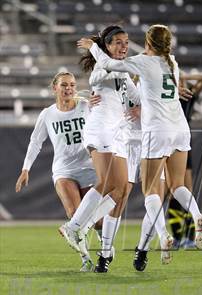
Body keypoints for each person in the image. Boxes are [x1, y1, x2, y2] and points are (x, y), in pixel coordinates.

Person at [77, 24, 202, 258]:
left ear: (148, 43)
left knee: (150, 191)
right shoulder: (173, 63)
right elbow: (157, 89)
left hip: (156, 132)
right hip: (180, 129)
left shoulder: (144, 61)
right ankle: (197, 215)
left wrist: (94, 47)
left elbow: (107, 64)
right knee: (177, 185)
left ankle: (162, 234)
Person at [59, 25, 142, 273]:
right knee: (110, 184)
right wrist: (94, 49)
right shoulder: (103, 65)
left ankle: (91, 237)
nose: (124, 47)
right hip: (100, 130)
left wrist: (143, 106)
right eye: (117, 42)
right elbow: (99, 75)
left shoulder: (125, 74)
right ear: (106, 46)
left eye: (126, 42)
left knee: (121, 190)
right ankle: (74, 227)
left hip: (117, 135)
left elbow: (140, 100)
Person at [15, 72, 97, 272]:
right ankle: (86, 259)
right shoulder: (47, 114)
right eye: (64, 85)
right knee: (74, 214)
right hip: (64, 170)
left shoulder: (87, 107)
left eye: (72, 85)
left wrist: (100, 104)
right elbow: (36, 143)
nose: (68, 88)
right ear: (55, 88)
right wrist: (26, 169)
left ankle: (105, 252)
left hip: (89, 167)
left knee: (98, 221)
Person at [168, 70, 202, 249]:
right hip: (174, 139)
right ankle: (179, 236)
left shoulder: (187, 94)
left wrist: (182, 77)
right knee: (174, 192)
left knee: (183, 190)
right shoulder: (168, 92)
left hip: (178, 141)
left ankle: (189, 237)